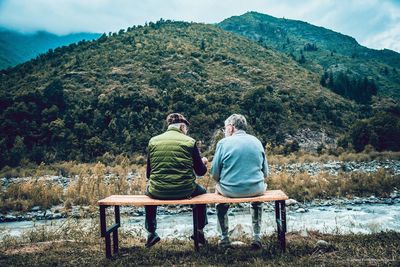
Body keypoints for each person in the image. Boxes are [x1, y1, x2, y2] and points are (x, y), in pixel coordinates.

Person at [144, 113, 209, 248]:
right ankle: (199, 230)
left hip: (158, 191)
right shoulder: (190, 142)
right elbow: (200, 172)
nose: (186, 132)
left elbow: (148, 174)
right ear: (182, 127)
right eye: (186, 129)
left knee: (147, 194)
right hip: (185, 190)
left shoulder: (153, 141)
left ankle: (151, 233)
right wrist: (203, 162)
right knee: (203, 193)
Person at [210, 114, 269, 249]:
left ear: (231, 128)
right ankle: (257, 236)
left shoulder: (223, 143)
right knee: (257, 202)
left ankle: (224, 238)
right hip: (256, 189)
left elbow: (214, 174)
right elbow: (265, 172)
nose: (224, 131)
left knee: (219, 199)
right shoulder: (257, 141)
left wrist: (223, 181)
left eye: (225, 128)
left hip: (230, 190)